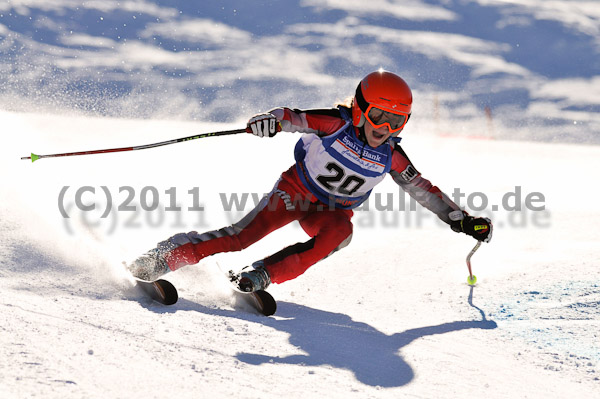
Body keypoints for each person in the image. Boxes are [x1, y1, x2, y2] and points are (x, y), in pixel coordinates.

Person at [127, 70, 493, 292]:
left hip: (332, 211)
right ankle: (161, 257)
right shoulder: (336, 124)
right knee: (240, 237)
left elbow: (424, 192)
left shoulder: (392, 156)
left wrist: (460, 219)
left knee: (339, 236)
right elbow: (293, 117)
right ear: (361, 108)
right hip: (295, 193)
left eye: (396, 122)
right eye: (379, 116)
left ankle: (261, 276)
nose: (385, 129)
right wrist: (269, 122)